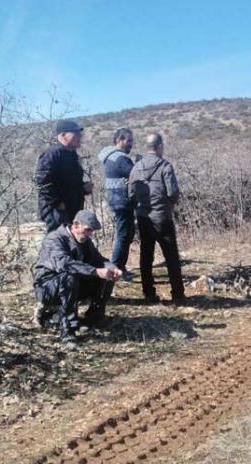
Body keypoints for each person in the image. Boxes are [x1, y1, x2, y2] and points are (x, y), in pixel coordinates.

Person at [32, 210, 121, 343]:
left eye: (91, 231)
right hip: (48, 286)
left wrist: (111, 268)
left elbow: (98, 260)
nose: (90, 234)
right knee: (69, 277)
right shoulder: (54, 239)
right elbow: (64, 264)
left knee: (107, 277)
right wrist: (95, 271)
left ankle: (94, 318)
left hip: (73, 284)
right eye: (88, 230)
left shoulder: (84, 241)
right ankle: (68, 331)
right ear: (76, 225)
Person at [128, 133, 185, 304]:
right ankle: (178, 295)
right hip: (162, 217)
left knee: (146, 256)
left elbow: (130, 194)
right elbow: (173, 193)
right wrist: (170, 205)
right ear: (159, 146)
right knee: (171, 257)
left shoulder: (136, 167)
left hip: (144, 218)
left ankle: (148, 293)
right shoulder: (165, 166)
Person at [35, 120, 91, 233]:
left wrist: (83, 189)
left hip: (72, 208)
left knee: (70, 244)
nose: (80, 137)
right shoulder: (52, 154)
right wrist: (58, 203)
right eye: (76, 134)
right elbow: (42, 183)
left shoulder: (72, 154)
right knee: (57, 244)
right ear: (63, 135)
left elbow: (70, 182)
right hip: (57, 212)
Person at [98, 128, 136, 278]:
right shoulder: (121, 158)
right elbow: (136, 174)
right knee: (123, 235)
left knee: (125, 234)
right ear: (119, 140)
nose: (131, 144)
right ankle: (116, 269)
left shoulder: (110, 157)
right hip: (122, 201)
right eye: (129, 141)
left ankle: (119, 267)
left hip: (115, 199)